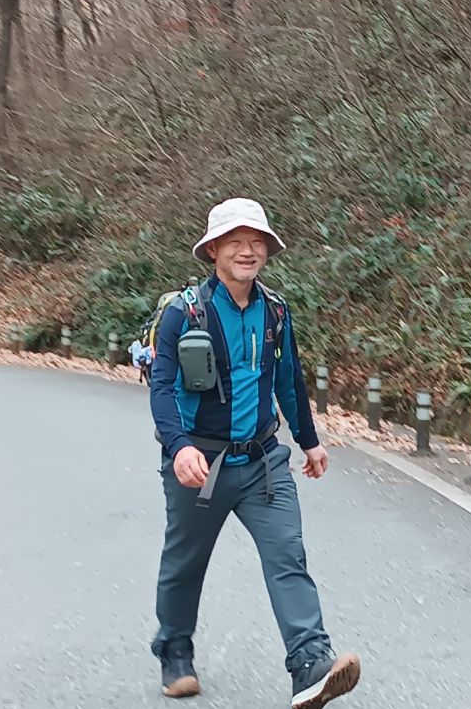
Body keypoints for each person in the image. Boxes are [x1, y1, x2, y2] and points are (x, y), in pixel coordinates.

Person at [148, 198, 361, 708]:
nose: (248, 251)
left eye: (256, 242)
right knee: (185, 563)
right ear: (213, 250)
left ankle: (311, 664)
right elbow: (162, 387)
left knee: (288, 556)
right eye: (236, 242)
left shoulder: (276, 311)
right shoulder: (185, 313)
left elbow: (289, 380)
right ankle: (175, 652)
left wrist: (308, 440)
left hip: (264, 460)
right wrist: (179, 447)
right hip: (202, 464)